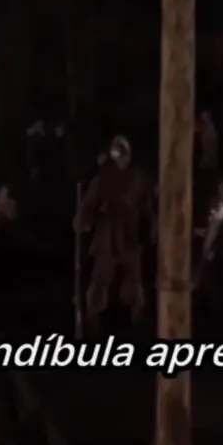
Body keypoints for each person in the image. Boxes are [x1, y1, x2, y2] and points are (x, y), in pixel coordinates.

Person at [77, 136, 149, 332]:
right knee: (100, 279)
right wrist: (84, 219)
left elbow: (146, 205)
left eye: (123, 154)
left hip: (130, 235)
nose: (121, 159)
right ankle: (93, 320)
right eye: (118, 154)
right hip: (108, 234)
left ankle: (137, 319)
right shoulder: (104, 176)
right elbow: (90, 201)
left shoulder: (138, 176)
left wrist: (149, 227)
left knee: (134, 280)